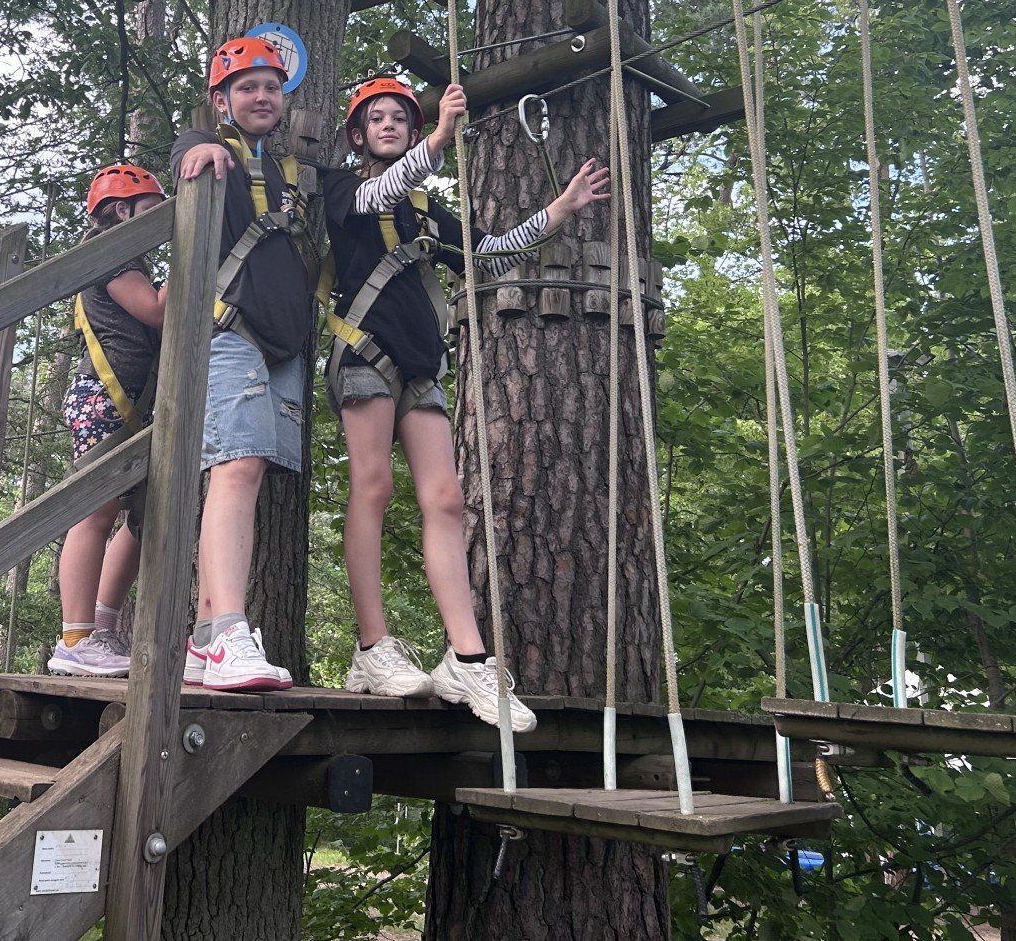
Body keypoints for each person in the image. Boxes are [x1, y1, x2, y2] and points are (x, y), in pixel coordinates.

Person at [325, 78, 608, 731]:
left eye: (401, 118)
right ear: (358, 135)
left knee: (447, 498)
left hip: (420, 364)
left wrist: (559, 210)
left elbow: (490, 254)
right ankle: (371, 646)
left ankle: (468, 656)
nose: (390, 125)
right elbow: (377, 194)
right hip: (364, 350)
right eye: (378, 118)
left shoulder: (428, 213)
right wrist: (439, 139)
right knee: (373, 486)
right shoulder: (344, 191)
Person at [174, 36, 316, 692]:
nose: (262, 96)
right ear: (221, 100)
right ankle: (231, 630)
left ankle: (208, 638)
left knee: (247, 475)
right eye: (247, 87)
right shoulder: (216, 151)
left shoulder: (287, 176)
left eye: (271, 87)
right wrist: (199, 146)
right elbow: (186, 152)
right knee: (237, 467)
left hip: (281, 343)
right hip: (231, 330)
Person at [48, 164, 167, 677]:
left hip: (128, 402)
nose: (164, 222)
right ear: (124, 211)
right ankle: (76, 639)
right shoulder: (113, 256)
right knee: (95, 513)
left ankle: (100, 627)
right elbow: (156, 310)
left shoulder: (124, 259)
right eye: (154, 211)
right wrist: (196, 251)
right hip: (104, 396)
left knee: (140, 518)